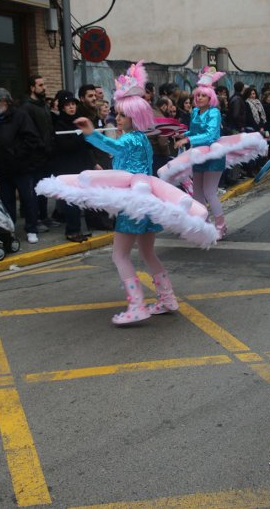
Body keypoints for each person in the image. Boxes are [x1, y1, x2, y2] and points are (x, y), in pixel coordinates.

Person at [74, 61, 179, 326]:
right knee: (148, 253)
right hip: (146, 200)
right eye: (116, 114)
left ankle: (137, 306)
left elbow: (111, 145)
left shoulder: (129, 139)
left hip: (133, 204)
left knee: (119, 255)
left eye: (121, 115)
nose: (116, 119)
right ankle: (167, 298)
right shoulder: (142, 138)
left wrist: (90, 133)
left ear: (134, 117)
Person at [0, 88, 43, 244]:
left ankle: (31, 229)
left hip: (22, 168)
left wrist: (16, 154)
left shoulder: (21, 116)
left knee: (28, 199)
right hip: (4, 170)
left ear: (4, 101)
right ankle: (9, 230)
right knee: (6, 202)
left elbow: (31, 139)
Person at [175, 69, 227, 239]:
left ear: (210, 97)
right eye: (197, 95)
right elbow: (193, 131)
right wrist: (183, 135)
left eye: (203, 96)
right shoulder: (196, 112)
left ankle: (221, 226)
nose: (198, 98)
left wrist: (188, 140)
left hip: (213, 155)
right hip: (197, 155)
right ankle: (203, 224)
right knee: (197, 192)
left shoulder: (214, 112)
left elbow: (212, 135)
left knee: (209, 192)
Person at [52, 91, 94, 242]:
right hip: (67, 168)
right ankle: (72, 230)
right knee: (71, 201)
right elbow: (65, 146)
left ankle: (79, 228)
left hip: (80, 166)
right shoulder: (60, 124)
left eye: (73, 104)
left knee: (79, 200)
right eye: (68, 105)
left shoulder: (78, 121)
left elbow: (87, 145)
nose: (71, 107)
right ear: (62, 107)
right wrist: (79, 138)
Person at [20, 75, 56, 231]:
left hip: (47, 155)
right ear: (32, 88)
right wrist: (40, 146)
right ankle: (36, 220)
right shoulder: (27, 107)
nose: (44, 87)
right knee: (34, 190)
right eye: (40, 85)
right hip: (35, 156)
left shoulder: (43, 105)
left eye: (44, 84)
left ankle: (44, 216)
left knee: (44, 188)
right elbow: (30, 132)